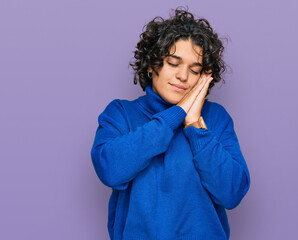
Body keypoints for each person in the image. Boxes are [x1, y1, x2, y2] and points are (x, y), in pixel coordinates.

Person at [91, 6, 250, 240]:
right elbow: (110, 171)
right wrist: (177, 114)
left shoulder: (216, 118)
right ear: (151, 64)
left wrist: (195, 125)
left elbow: (232, 192)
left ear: (203, 76)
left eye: (194, 69)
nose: (183, 76)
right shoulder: (121, 113)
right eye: (173, 63)